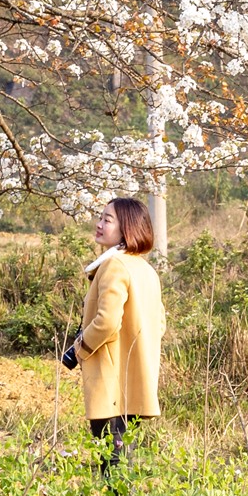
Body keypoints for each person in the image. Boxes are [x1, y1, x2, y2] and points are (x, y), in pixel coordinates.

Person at [61, 193, 164, 467]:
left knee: (113, 464)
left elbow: (107, 321)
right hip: (136, 381)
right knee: (121, 460)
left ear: (126, 229)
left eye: (107, 220)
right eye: (100, 217)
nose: (99, 224)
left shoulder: (114, 266)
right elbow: (160, 323)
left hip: (112, 382)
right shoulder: (145, 269)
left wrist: (79, 349)